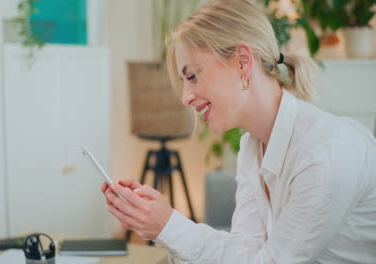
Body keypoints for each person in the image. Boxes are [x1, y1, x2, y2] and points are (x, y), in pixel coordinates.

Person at [101, 0, 376, 263]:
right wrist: (159, 222)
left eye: (192, 76)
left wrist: (168, 225)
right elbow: (247, 249)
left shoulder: (322, 154)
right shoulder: (252, 147)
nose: (185, 98)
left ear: (243, 62)